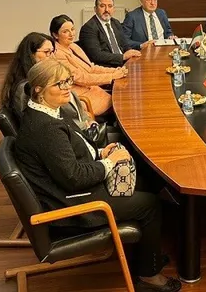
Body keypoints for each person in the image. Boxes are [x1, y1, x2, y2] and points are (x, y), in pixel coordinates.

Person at [14, 59, 181, 292]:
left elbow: (73, 150)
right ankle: (149, 276)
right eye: (59, 84)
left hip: (72, 190)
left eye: (67, 81)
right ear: (38, 89)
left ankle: (145, 255)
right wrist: (108, 163)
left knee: (147, 179)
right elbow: (74, 178)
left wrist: (101, 152)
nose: (67, 88)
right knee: (149, 205)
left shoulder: (46, 111)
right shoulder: (45, 129)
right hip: (71, 205)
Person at [0, 32, 94, 130]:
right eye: (46, 52)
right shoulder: (26, 88)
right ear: (30, 55)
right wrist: (85, 126)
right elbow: (44, 124)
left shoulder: (46, 77)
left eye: (52, 52)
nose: (52, 57)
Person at [50, 15, 123, 117]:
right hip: (82, 97)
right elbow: (81, 78)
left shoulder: (73, 46)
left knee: (123, 98)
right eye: (65, 31)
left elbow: (91, 68)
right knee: (122, 105)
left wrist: (115, 71)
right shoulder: (57, 54)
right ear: (55, 35)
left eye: (72, 29)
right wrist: (112, 77)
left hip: (92, 89)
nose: (71, 34)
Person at [78, 0, 141, 67]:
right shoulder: (88, 28)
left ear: (113, 9)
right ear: (95, 9)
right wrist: (122, 57)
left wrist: (131, 53)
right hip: (106, 67)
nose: (106, 10)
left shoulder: (116, 23)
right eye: (102, 6)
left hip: (123, 63)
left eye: (110, 6)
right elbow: (96, 55)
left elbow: (125, 44)